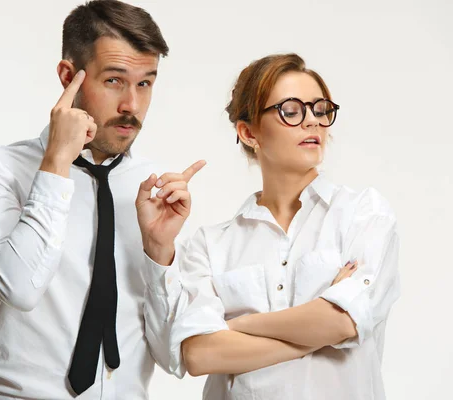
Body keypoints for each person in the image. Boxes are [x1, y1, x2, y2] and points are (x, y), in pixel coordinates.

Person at [0, 1, 203, 398]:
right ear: (68, 76)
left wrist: (160, 253)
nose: (132, 106)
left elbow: (173, 357)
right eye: (114, 81)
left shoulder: (154, 188)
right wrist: (56, 162)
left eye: (145, 83)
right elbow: (18, 287)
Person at [144, 53, 400, 400]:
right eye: (291, 111)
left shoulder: (362, 214)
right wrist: (317, 332)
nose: (312, 122)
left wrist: (237, 327)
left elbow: (343, 323)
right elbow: (199, 355)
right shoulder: (212, 245)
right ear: (249, 132)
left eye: (321, 109)